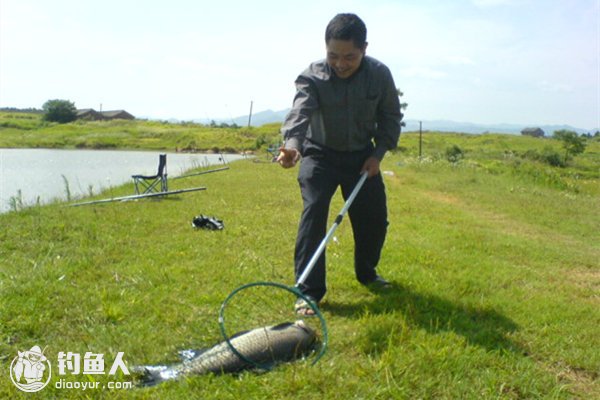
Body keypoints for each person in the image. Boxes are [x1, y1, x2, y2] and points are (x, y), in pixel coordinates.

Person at [277, 13, 403, 315]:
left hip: (362, 157)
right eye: (333, 55)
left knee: (374, 220)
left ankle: (367, 273)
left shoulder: (380, 75)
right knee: (314, 210)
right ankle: (308, 292)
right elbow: (300, 113)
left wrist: (378, 155)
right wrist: (293, 146)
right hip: (319, 154)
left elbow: (390, 117)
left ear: (364, 49)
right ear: (325, 49)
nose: (341, 63)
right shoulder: (311, 76)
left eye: (350, 56)